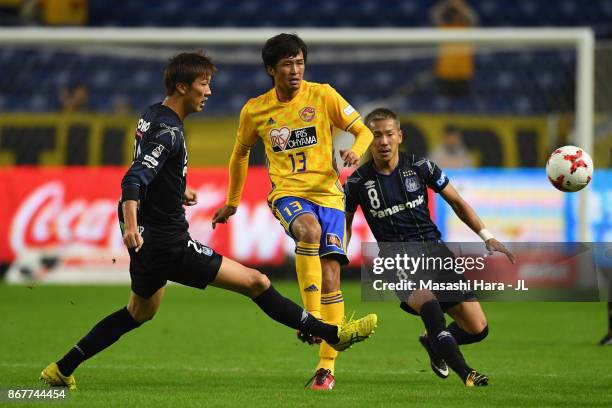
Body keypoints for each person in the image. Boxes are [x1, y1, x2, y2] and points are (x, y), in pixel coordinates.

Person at [39, 52, 377, 390]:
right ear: (183, 87)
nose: (209, 92)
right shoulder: (170, 131)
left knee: (138, 312)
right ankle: (333, 333)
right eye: (204, 84)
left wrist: (176, 191)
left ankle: (62, 368)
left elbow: (152, 168)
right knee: (256, 282)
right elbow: (134, 179)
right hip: (168, 243)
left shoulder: (151, 115)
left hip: (148, 240)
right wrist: (129, 227)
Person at [212, 33, 374, 390]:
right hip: (288, 193)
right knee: (308, 231)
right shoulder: (255, 110)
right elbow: (239, 154)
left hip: (330, 196)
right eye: (287, 64)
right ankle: (311, 316)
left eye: (300, 62)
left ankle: (325, 368)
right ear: (272, 69)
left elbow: (363, 131)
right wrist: (233, 201)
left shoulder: (323, 94)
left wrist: (356, 150)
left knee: (332, 276)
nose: (295, 70)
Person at [344, 108, 515, 387]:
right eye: (376, 136)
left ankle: (432, 342)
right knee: (429, 303)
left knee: (477, 328)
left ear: (400, 136)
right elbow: (345, 223)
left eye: (389, 134)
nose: (383, 142)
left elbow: (457, 202)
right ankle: (467, 373)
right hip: (397, 260)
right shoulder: (357, 183)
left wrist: (487, 236)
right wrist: (339, 253)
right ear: (367, 140)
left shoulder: (421, 167)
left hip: (436, 253)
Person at [431, 0, 478, 98]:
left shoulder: (466, 29)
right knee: (444, 104)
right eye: (453, 13)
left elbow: (473, 18)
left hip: (463, 73)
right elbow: (435, 14)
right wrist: (449, 3)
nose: (456, 16)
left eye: (458, 14)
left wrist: (459, 5)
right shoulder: (445, 28)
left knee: (464, 105)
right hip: (446, 73)